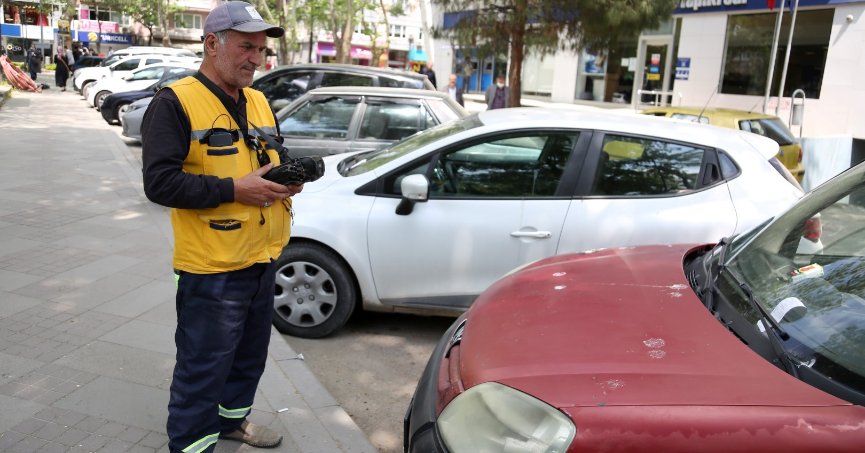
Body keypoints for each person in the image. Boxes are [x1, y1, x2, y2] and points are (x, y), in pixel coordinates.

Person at [141, 2, 298, 452]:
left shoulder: (258, 100)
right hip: (211, 270)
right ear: (212, 44)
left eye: (261, 50)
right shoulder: (174, 102)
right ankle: (192, 444)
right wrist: (235, 190)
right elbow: (159, 183)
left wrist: (287, 177)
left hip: (262, 257)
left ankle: (231, 423)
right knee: (203, 368)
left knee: (248, 358)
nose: (256, 59)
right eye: (247, 47)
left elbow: (272, 157)